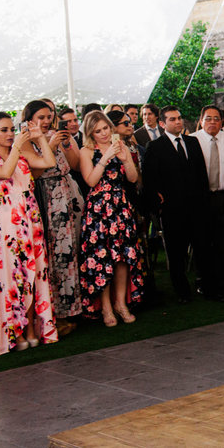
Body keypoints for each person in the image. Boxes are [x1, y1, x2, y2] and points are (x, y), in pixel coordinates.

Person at [0, 111, 58, 353]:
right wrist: (18, 146)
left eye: (12, 129)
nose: (10, 134)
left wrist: (40, 138)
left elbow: (49, 163)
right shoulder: (8, 154)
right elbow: (3, 173)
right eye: (4, 130)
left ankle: (31, 329)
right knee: (10, 278)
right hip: (3, 228)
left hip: (30, 221)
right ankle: (14, 331)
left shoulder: (21, 151)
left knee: (33, 274)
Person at [78, 110, 145, 326]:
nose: (104, 134)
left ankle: (120, 303)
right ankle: (106, 307)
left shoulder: (120, 146)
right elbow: (90, 181)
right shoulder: (86, 151)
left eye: (105, 128)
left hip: (120, 205)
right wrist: (105, 159)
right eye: (98, 131)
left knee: (123, 256)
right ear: (90, 133)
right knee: (102, 259)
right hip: (98, 209)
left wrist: (125, 160)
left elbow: (133, 178)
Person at [25, 101, 83, 336]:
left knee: (69, 252)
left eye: (50, 116)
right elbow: (34, 173)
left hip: (66, 196)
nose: (47, 120)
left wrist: (66, 143)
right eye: (41, 116)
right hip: (44, 197)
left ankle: (71, 309)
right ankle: (53, 315)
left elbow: (74, 164)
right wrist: (47, 144)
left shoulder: (57, 135)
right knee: (52, 255)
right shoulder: (25, 140)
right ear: (29, 118)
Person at [142, 106, 209, 304]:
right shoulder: (155, 147)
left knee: (203, 249)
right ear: (162, 124)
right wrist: (159, 205)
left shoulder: (192, 142)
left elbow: (201, 174)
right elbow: (150, 180)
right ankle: (182, 292)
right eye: (172, 119)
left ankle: (206, 286)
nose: (178, 122)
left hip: (196, 208)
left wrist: (204, 202)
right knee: (176, 253)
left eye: (179, 118)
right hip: (172, 211)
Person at [192, 105, 224, 299]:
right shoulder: (192, 141)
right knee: (202, 242)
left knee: (223, 241)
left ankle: (223, 282)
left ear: (222, 121)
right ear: (201, 120)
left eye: (216, 119)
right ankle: (203, 281)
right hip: (201, 199)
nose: (212, 122)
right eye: (208, 118)